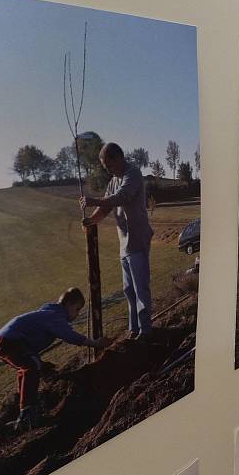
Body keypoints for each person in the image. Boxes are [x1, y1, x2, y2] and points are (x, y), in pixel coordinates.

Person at [0, 288, 110, 429]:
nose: (77, 314)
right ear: (68, 304)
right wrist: (95, 343)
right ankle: (28, 413)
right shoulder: (55, 316)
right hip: (9, 342)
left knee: (29, 367)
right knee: (31, 367)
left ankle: (26, 410)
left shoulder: (48, 312)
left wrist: (41, 363)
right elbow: (70, 336)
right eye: (77, 309)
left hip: (2, 341)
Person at [81, 139, 155, 343]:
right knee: (129, 290)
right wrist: (91, 221)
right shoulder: (113, 180)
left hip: (138, 239)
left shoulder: (133, 174)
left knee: (141, 288)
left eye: (109, 165)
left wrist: (93, 200)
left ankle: (146, 331)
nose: (108, 170)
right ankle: (134, 328)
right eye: (105, 167)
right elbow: (105, 208)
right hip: (124, 244)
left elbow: (122, 197)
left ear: (119, 158)